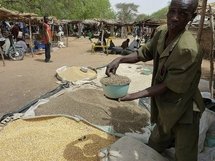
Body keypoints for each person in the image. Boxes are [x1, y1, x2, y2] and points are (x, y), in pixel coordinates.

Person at [105, 0, 204, 161]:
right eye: (172, 11)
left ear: (192, 17)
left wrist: (133, 95)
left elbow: (167, 85)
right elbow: (142, 53)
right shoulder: (162, 32)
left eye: (183, 14)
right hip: (165, 106)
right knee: (154, 144)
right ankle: (167, 137)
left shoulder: (188, 49)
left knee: (185, 155)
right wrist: (119, 59)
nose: (175, 18)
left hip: (184, 107)